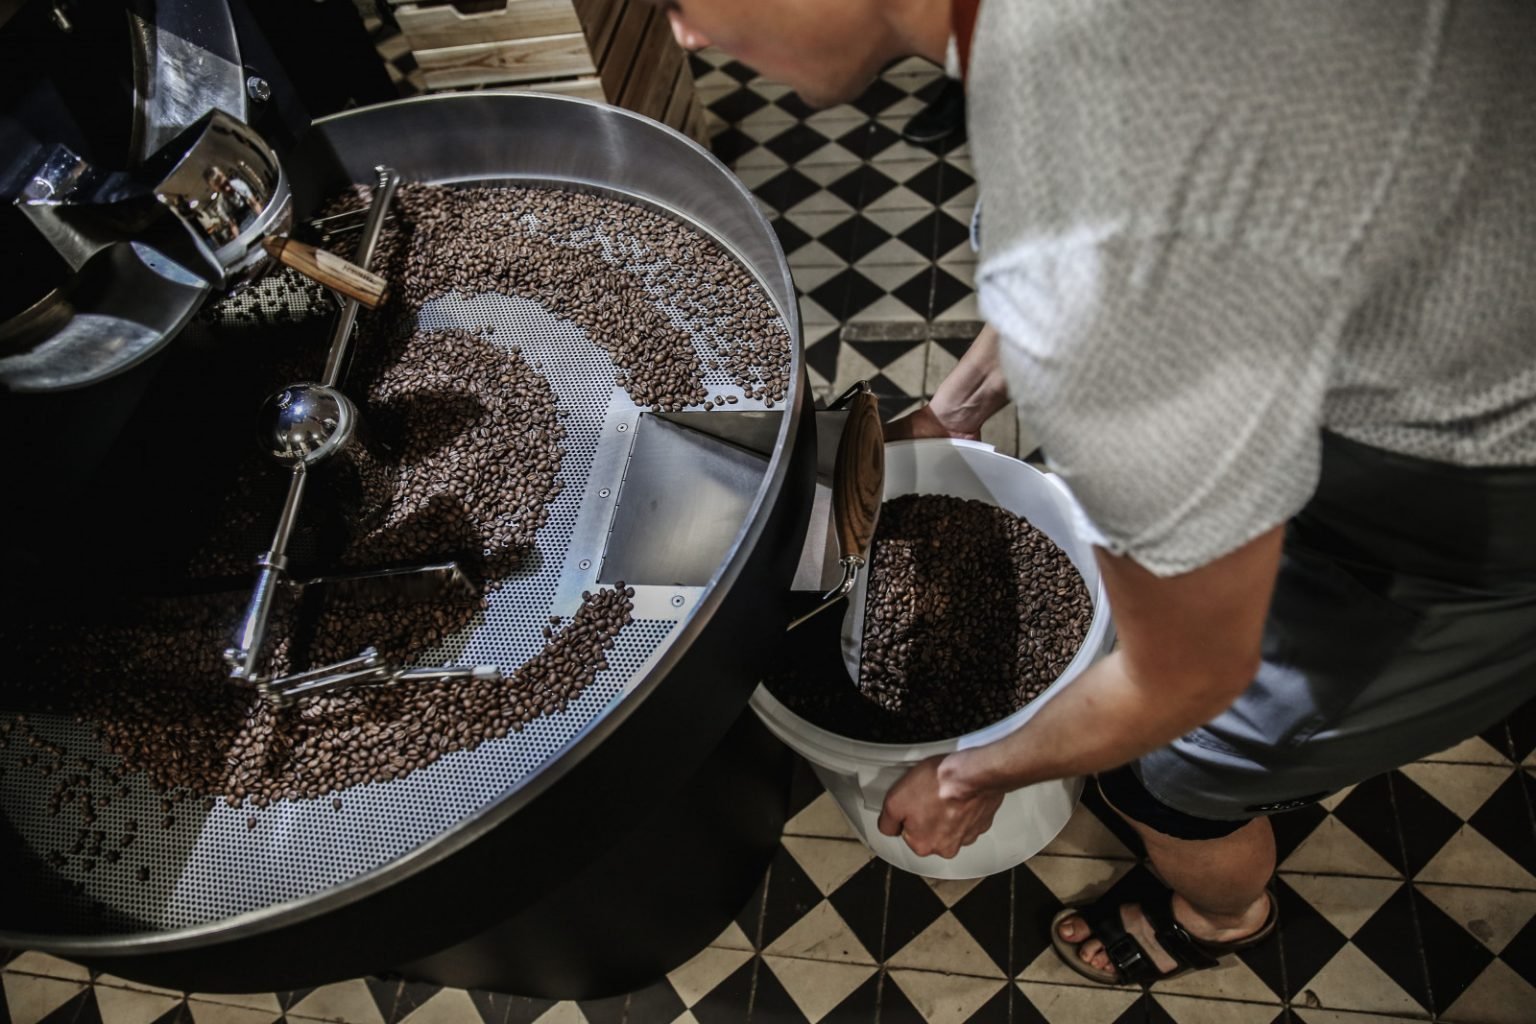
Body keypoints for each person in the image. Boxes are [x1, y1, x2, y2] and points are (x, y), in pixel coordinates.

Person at [655, 0, 1536, 986]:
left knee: (1178, 772)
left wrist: (967, 774)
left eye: (679, 1)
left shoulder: (1105, 282)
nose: (682, 36)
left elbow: (1189, 674)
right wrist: (959, 406)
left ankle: (1223, 914)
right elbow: (1081, 228)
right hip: (1432, 289)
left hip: (1471, 497)